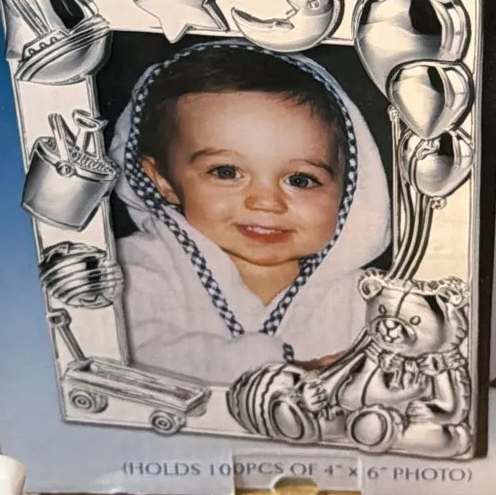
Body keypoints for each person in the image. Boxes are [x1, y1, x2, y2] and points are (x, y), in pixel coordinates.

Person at [108, 40, 391, 384]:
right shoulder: (136, 265)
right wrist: (285, 371)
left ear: (350, 189)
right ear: (162, 181)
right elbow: (129, 350)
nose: (266, 202)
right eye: (227, 172)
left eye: (300, 180)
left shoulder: (367, 299)